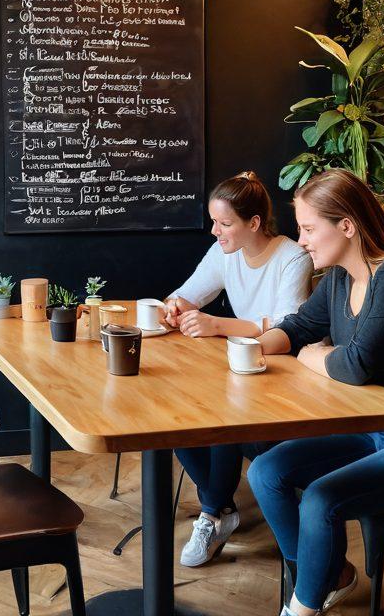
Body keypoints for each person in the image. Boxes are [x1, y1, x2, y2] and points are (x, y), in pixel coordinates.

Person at [247, 169, 384, 616]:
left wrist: (312, 355)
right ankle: (324, 577)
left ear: (347, 226)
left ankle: (303, 606)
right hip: (375, 429)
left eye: (309, 229)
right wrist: (251, 349)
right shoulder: (340, 277)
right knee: (266, 471)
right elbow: (299, 327)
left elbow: (354, 365)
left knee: (320, 499)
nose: (301, 241)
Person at [162, 171, 313, 567]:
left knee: (223, 418)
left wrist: (217, 325)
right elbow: (188, 294)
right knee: (175, 418)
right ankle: (220, 507)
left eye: (224, 223)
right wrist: (174, 307)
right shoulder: (224, 252)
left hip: (284, 377)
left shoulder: (292, 257)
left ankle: (213, 513)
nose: (215, 231)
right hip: (240, 370)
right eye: (214, 221)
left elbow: (288, 326)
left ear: (254, 223)